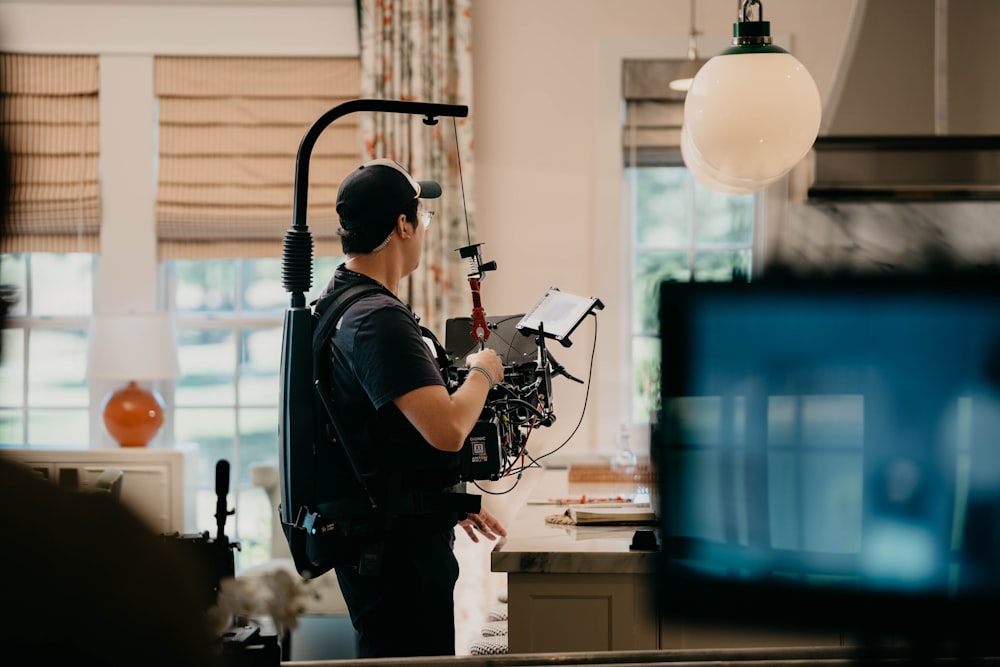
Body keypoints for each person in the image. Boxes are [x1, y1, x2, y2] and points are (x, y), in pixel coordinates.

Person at [321, 157, 507, 658]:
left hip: (384, 541)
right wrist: (485, 370)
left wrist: (444, 496)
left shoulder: (343, 303)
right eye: (421, 219)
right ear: (402, 225)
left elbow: (383, 435)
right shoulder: (377, 318)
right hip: (397, 557)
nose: (423, 230)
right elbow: (446, 428)